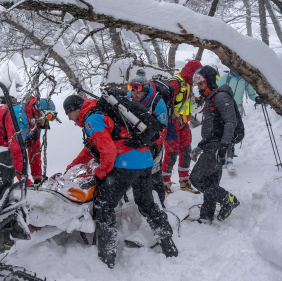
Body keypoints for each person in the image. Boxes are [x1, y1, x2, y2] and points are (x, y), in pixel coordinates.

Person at [63, 94, 178, 269]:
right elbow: (92, 149)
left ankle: (107, 255)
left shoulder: (92, 119)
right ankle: (167, 243)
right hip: (144, 159)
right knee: (147, 204)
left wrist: (100, 173)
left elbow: (107, 151)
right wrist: (70, 167)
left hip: (126, 163)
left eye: (68, 114)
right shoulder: (101, 113)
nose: (69, 119)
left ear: (75, 109)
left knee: (104, 205)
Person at [189, 66, 241, 224]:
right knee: (210, 182)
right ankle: (206, 216)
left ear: (210, 81)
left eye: (201, 84)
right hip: (212, 144)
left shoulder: (220, 97)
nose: (198, 88)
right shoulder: (211, 98)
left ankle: (228, 199)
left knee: (196, 178)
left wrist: (224, 147)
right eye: (197, 84)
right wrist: (200, 146)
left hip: (217, 146)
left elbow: (230, 122)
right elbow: (213, 127)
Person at [0, 97, 56, 186]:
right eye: (43, 119)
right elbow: (16, 152)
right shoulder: (19, 118)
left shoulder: (36, 121)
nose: (43, 124)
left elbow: (35, 150)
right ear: (36, 111)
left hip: (1, 145)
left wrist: (37, 178)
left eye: (47, 120)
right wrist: (24, 181)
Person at [126, 69, 168, 207]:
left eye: (138, 91)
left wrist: (152, 144)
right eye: (132, 89)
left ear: (145, 90)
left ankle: (162, 202)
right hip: (136, 141)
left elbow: (162, 129)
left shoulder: (157, 102)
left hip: (153, 143)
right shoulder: (129, 96)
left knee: (155, 175)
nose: (134, 94)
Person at [161, 60, 202, 194]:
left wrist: (197, 101)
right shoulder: (175, 83)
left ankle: (184, 182)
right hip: (172, 123)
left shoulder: (188, 83)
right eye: (197, 74)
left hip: (183, 123)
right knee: (171, 153)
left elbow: (185, 101)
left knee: (186, 151)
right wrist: (169, 124)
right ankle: (164, 184)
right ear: (192, 72)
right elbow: (165, 105)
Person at [217, 70, 264, 171]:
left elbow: (251, 94)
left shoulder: (245, 80)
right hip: (223, 110)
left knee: (232, 135)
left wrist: (257, 99)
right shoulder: (226, 77)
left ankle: (229, 159)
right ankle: (219, 157)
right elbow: (216, 90)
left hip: (237, 111)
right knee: (222, 133)